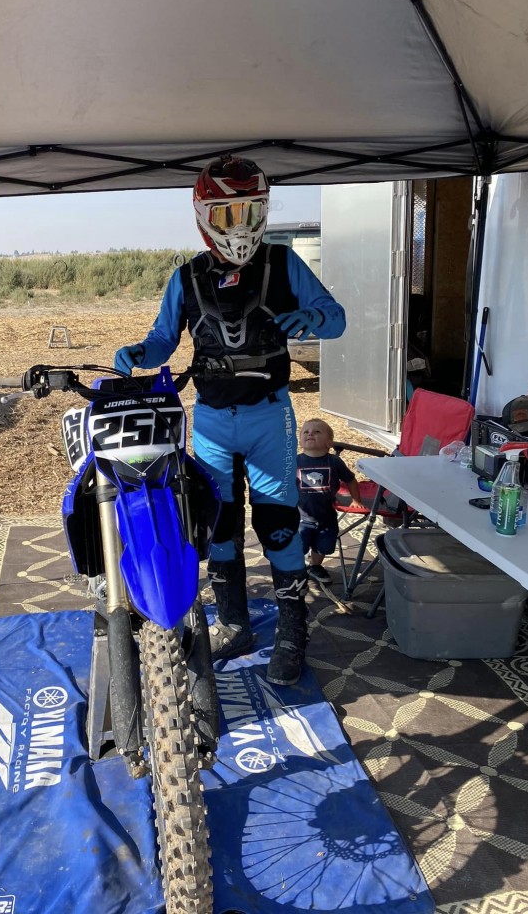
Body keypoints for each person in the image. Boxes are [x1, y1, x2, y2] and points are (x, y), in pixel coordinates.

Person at [114, 155, 346, 685]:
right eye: (226, 216)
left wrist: (311, 315)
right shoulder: (187, 278)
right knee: (218, 524)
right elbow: (163, 337)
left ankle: (292, 633)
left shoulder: (284, 264)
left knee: (279, 524)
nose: (239, 227)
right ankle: (234, 624)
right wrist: (141, 353)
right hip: (213, 421)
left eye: (249, 213)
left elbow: (337, 319)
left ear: (263, 211)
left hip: (269, 417)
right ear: (203, 217)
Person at [297, 418, 361, 585]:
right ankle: (296, 569)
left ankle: (315, 566)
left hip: (326, 516)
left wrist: (356, 500)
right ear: (300, 441)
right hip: (300, 517)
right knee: (298, 546)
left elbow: (350, 479)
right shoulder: (295, 462)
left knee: (323, 546)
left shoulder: (334, 462)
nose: (310, 434)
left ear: (329, 443)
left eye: (317, 432)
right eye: (306, 432)